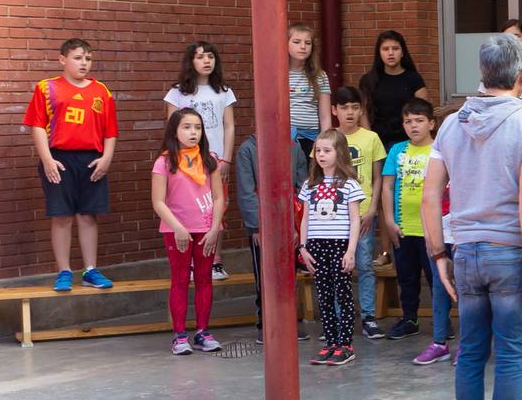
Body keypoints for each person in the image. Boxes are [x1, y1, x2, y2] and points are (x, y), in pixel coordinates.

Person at [422, 31, 522, 400]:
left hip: (465, 251)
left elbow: (429, 197)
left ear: (483, 74)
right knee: (513, 352)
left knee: (472, 350)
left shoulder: (450, 124)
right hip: (508, 251)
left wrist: (439, 255)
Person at [25, 38, 118, 291]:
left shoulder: (102, 91)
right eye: (78, 58)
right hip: (59, 159)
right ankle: (64, 272)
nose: (84, 63)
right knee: (62, 215)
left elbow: (110, 131)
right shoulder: (47, 88)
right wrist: (47, 159)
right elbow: (36, 125)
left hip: (92, 160)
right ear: (62, 59)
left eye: (88, 58)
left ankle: (90, 270)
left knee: (88, 215)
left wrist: (107, 158)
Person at [381, 99, 452, 363]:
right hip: (404, 225)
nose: (413, 126)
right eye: (408, 121)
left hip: (431, 228)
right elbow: (388, 186)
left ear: (431, 123)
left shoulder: (440, 149)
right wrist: (389, 219)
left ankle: (443, 325)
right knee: (407, 277)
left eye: (419, 120)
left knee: (437, 279)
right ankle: (409, 318)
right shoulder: (397, 150)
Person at [152, 108, 226, 355]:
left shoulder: (210, 160)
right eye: (186, 127)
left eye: (197, 127)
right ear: (174, 130)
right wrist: (178, 228)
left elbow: (218, 198)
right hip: (177, 231)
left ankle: (203, 332)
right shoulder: (164, 162)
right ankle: (180, 335)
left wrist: (215, 228)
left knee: (205, 279)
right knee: (180, 280)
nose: (193, 132)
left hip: (206, 230)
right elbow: (158, 202)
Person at [297, 130, 367, 366]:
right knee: (324, 296)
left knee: (343, 295)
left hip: (340, 245)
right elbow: (305, 218)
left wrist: (350, 251)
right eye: (318, 150)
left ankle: (346, 344)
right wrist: (303, 247)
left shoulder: (349, 184)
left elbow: (355, 219)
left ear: (340, 153)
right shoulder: (310, 184)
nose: (321, 155)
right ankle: (330, 342)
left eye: (327, 150)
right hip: (317, 245)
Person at [234, 129, 308, 342]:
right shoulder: (247, 150)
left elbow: (302, 187)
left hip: (289, 219)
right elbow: (246, 192)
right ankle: (265, 321)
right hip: (262, 222)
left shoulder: (294, 149)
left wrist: (298, 223)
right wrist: (256, 226)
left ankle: (288, 321)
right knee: (264, 275)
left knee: (288, 274)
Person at [333, 86, 388, 338]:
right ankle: (339, 317)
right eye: (344, 107)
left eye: (355, 107)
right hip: (334, 216)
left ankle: (368, 317)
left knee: (365, 264)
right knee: (337, 267)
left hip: (364, 213)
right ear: (334, 110)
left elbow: (378, 178)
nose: (350, 112)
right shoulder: (328, 138)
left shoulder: (371, 138)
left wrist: (373, 207)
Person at [162, 40, 237, 196]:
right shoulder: (178, 92)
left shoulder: (224, 91)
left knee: (218, 204)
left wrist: (227, 160)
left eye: (210, 56)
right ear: (191, 61)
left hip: (216, 157)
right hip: (186, 159)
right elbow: (171, 127)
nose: (207, 61)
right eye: (200, 57)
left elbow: (229, 126)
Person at [359, 30, 434, 151]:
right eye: (385, 49)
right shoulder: (368, 80)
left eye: (395, 48)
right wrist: (370, 139)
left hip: (408, 140)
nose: (390, 53)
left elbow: (424, 110)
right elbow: (363, 112)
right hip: (378, 141)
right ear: (379, 53)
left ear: (402, 52)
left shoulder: (414, 78)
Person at [287, 23, 331, 153]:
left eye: (308, 43)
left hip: (312, 137)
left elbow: (325, 116)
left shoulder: (320, 75)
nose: (303, 47)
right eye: (296, 42)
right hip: (286, 136)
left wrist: (324, 142)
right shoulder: (278, 75)